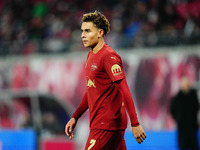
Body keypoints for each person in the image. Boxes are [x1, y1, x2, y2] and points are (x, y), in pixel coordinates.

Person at [65, 10, 147, 150]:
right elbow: (92, 89)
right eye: (82, 31)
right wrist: (75, 117)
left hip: (105, 125)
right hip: (108, 124)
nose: (83, 35)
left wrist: (135, 123)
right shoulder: (91, 55)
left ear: (100, 33)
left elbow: (124, 90)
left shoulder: (108, 56)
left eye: (88, 31)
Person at [170, 76, 199, 150]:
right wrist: (178, 119)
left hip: (192, 128)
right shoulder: (177, 98)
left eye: (187, 84)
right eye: (184, 84)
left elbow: (197, 108)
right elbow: (172, 110)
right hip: (182, 129)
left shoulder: (193, 96)